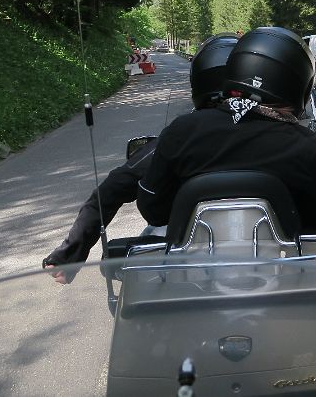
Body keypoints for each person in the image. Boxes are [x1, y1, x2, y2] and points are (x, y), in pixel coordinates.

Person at [137, 26, 316, 256]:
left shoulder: (182, 130)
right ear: (295, 84)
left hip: (190, 282)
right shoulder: (305, 145)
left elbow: (153, 208)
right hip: (283, 284)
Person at [42, 33, 239, 282]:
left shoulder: (182, 134)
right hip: (279, 261)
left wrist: (70, 254)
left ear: (197, 79)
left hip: (189, 264)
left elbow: (111, 190)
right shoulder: (285, 133)